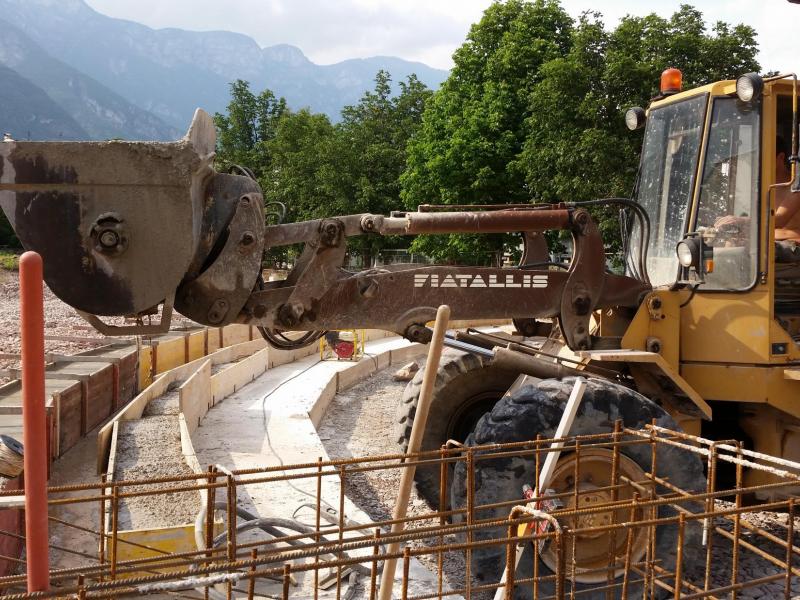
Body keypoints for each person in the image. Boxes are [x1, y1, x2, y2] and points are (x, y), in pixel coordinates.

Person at [715, 135, 799, 261]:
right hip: (770, 243)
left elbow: (778, 220)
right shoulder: (765, 189)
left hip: (793, 246)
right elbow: (758, 223)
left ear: (780, 157)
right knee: (726, 246)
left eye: (762, 159)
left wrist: (740, 221)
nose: (758, 164)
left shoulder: (795, 186)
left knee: (742, 250)